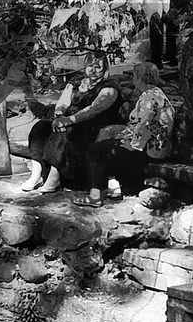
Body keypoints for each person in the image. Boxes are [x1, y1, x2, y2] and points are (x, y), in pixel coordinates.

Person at [20, 52, 124, 195]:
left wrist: (68, 120)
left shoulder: (109, 88)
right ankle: (37, 173)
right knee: (41, 127)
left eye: (98, 67)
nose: (92, 70)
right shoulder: (77, 81)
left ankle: (54, 176)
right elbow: (63, 102)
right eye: (90, 66)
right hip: (69, 120)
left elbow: (92, 110)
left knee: (66, 131)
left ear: (105, 69)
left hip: (92, 125)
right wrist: (59, 116)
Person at [82, 61, 176, 206]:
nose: (133, 80)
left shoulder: (148, 98)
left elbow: (143, 126)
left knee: (97, 149)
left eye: (135, 77)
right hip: (156, 147)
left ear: (139, 79)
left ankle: (96, 194)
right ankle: (111, 187)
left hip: (149, 151)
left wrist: (130, 144)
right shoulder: (156, 93)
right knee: (107, 136)